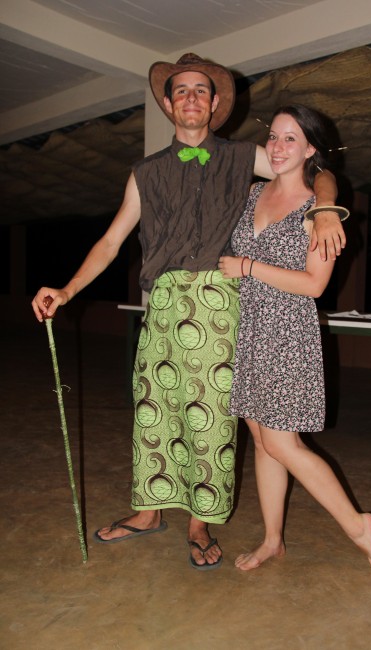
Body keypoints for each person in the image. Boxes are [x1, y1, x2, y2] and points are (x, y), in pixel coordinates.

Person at [32, 54, 347, 571]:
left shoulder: (244, 156)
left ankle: (199, 523)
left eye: (202, 90)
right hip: (162, 301)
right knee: (153, 411)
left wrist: (327, 208)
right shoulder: (145, 172)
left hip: (219, 303)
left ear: (215, 102)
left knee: (210, 420)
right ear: (168, 103)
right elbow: (111, 241)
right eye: (181, 91)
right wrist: (66, 290)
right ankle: (149, 511)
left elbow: (312, 167)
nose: (192, 98)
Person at [218, 104, 371, 573]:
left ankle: (357, 523)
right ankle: (272, 539)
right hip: (248, 328)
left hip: (286, 334)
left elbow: (314, 285)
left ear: (310, 149)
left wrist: (248, 266)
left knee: (283, 444)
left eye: (291, 138)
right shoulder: (253, 192)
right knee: (262, 440)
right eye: (273, 136)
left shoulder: (319, 209)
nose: (277, 146)